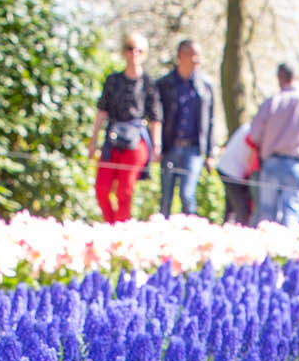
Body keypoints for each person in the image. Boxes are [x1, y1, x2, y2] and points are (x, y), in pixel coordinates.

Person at [91, 30, 161, 224]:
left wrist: (156, 147)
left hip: (136, 141)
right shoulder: (113, 80)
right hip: (112, 139)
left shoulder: (148, 83)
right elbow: (101, 112)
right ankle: (111, 226)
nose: (134, 54)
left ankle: (120, 232)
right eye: (130, 49)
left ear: (144, 54)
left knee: (125, 190)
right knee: (102, 188)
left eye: (139, 50)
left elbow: (156, 117)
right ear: (124, 52)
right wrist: (93, 142)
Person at [245, 62, 299, 225]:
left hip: (272, 163)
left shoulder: (272, 102)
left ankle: (267, 250)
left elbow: (255, 135)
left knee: (267, 215)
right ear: (298, 77)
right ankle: (286, 251)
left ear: (279, 78)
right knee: (291, 214)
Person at [153, 38, 219, 218]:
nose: (198, 60)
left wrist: (211, 153)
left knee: (187, 195)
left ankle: (190, 235)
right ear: (181, 56)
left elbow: (211, 120)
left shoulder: (206, 86)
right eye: (193, 55)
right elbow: (156, 117)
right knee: (165, 197)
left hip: (194, 150)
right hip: (170, 147)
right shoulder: (164, 84)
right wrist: (156, 146)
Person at [215, 121, 257, 225]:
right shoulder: (255, 133)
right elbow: (250, 159)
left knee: (231, 209)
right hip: (233, 172)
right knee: (241, 210)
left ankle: (227, 228)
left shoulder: (246, 127)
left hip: (225, 167)